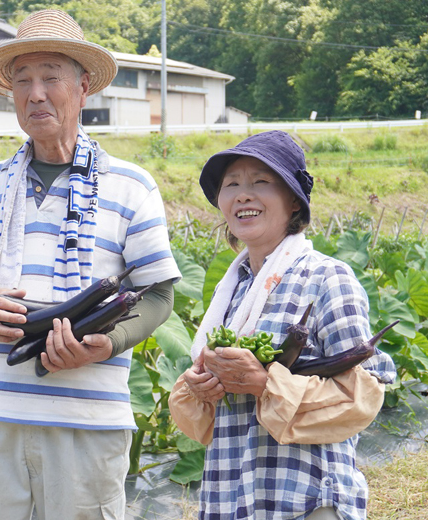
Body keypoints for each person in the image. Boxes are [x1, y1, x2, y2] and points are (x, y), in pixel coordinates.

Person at [0, 9, 181, 520]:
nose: (35, 94)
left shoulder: (131, 185)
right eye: (23, 81)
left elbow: (158, 295)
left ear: (83, 87)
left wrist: (107, 343)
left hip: (88, 419)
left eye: (50, 78)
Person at [168, 131, 396, 520]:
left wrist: (264, 384)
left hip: (306, 500)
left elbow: (362, 397)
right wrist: (202, 388)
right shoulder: (231, 294)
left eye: (260, 182)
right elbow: (205, 424)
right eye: (232, 185)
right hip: (231, 495)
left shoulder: (326, 278)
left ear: (294, 201)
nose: (243, 195)